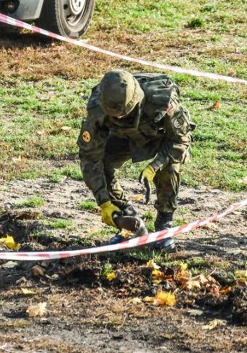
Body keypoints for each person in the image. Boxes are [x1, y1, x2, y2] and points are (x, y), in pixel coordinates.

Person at [77, 69, 195, 250]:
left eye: (124, 112)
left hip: (160, 139)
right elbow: (89, 156)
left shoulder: (161, 101)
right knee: (102, 163)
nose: (119, 117)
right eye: (114, 114)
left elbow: (181, 139)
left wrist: (155, 165)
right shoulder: (97, 108)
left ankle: (164, 224)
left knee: (169, 167)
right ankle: (129, 221)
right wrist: (104, 202)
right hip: (125, 139)